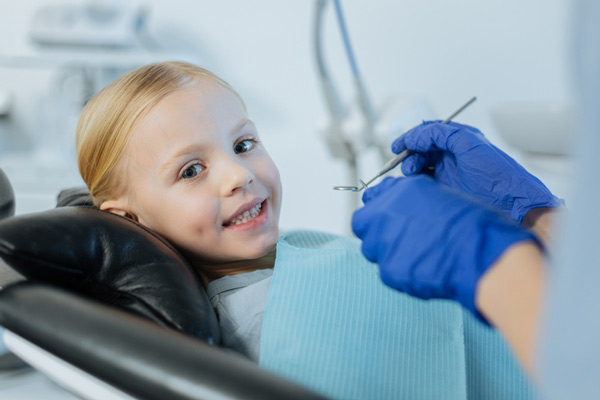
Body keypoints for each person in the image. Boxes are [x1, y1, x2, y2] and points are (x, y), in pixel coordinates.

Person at [75, 61, 538, 399]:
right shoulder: (255, 321)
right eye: (192, 170)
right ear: (129, 222)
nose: (238, 174)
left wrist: (534, 216)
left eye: (243, 143)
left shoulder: (301, 258)